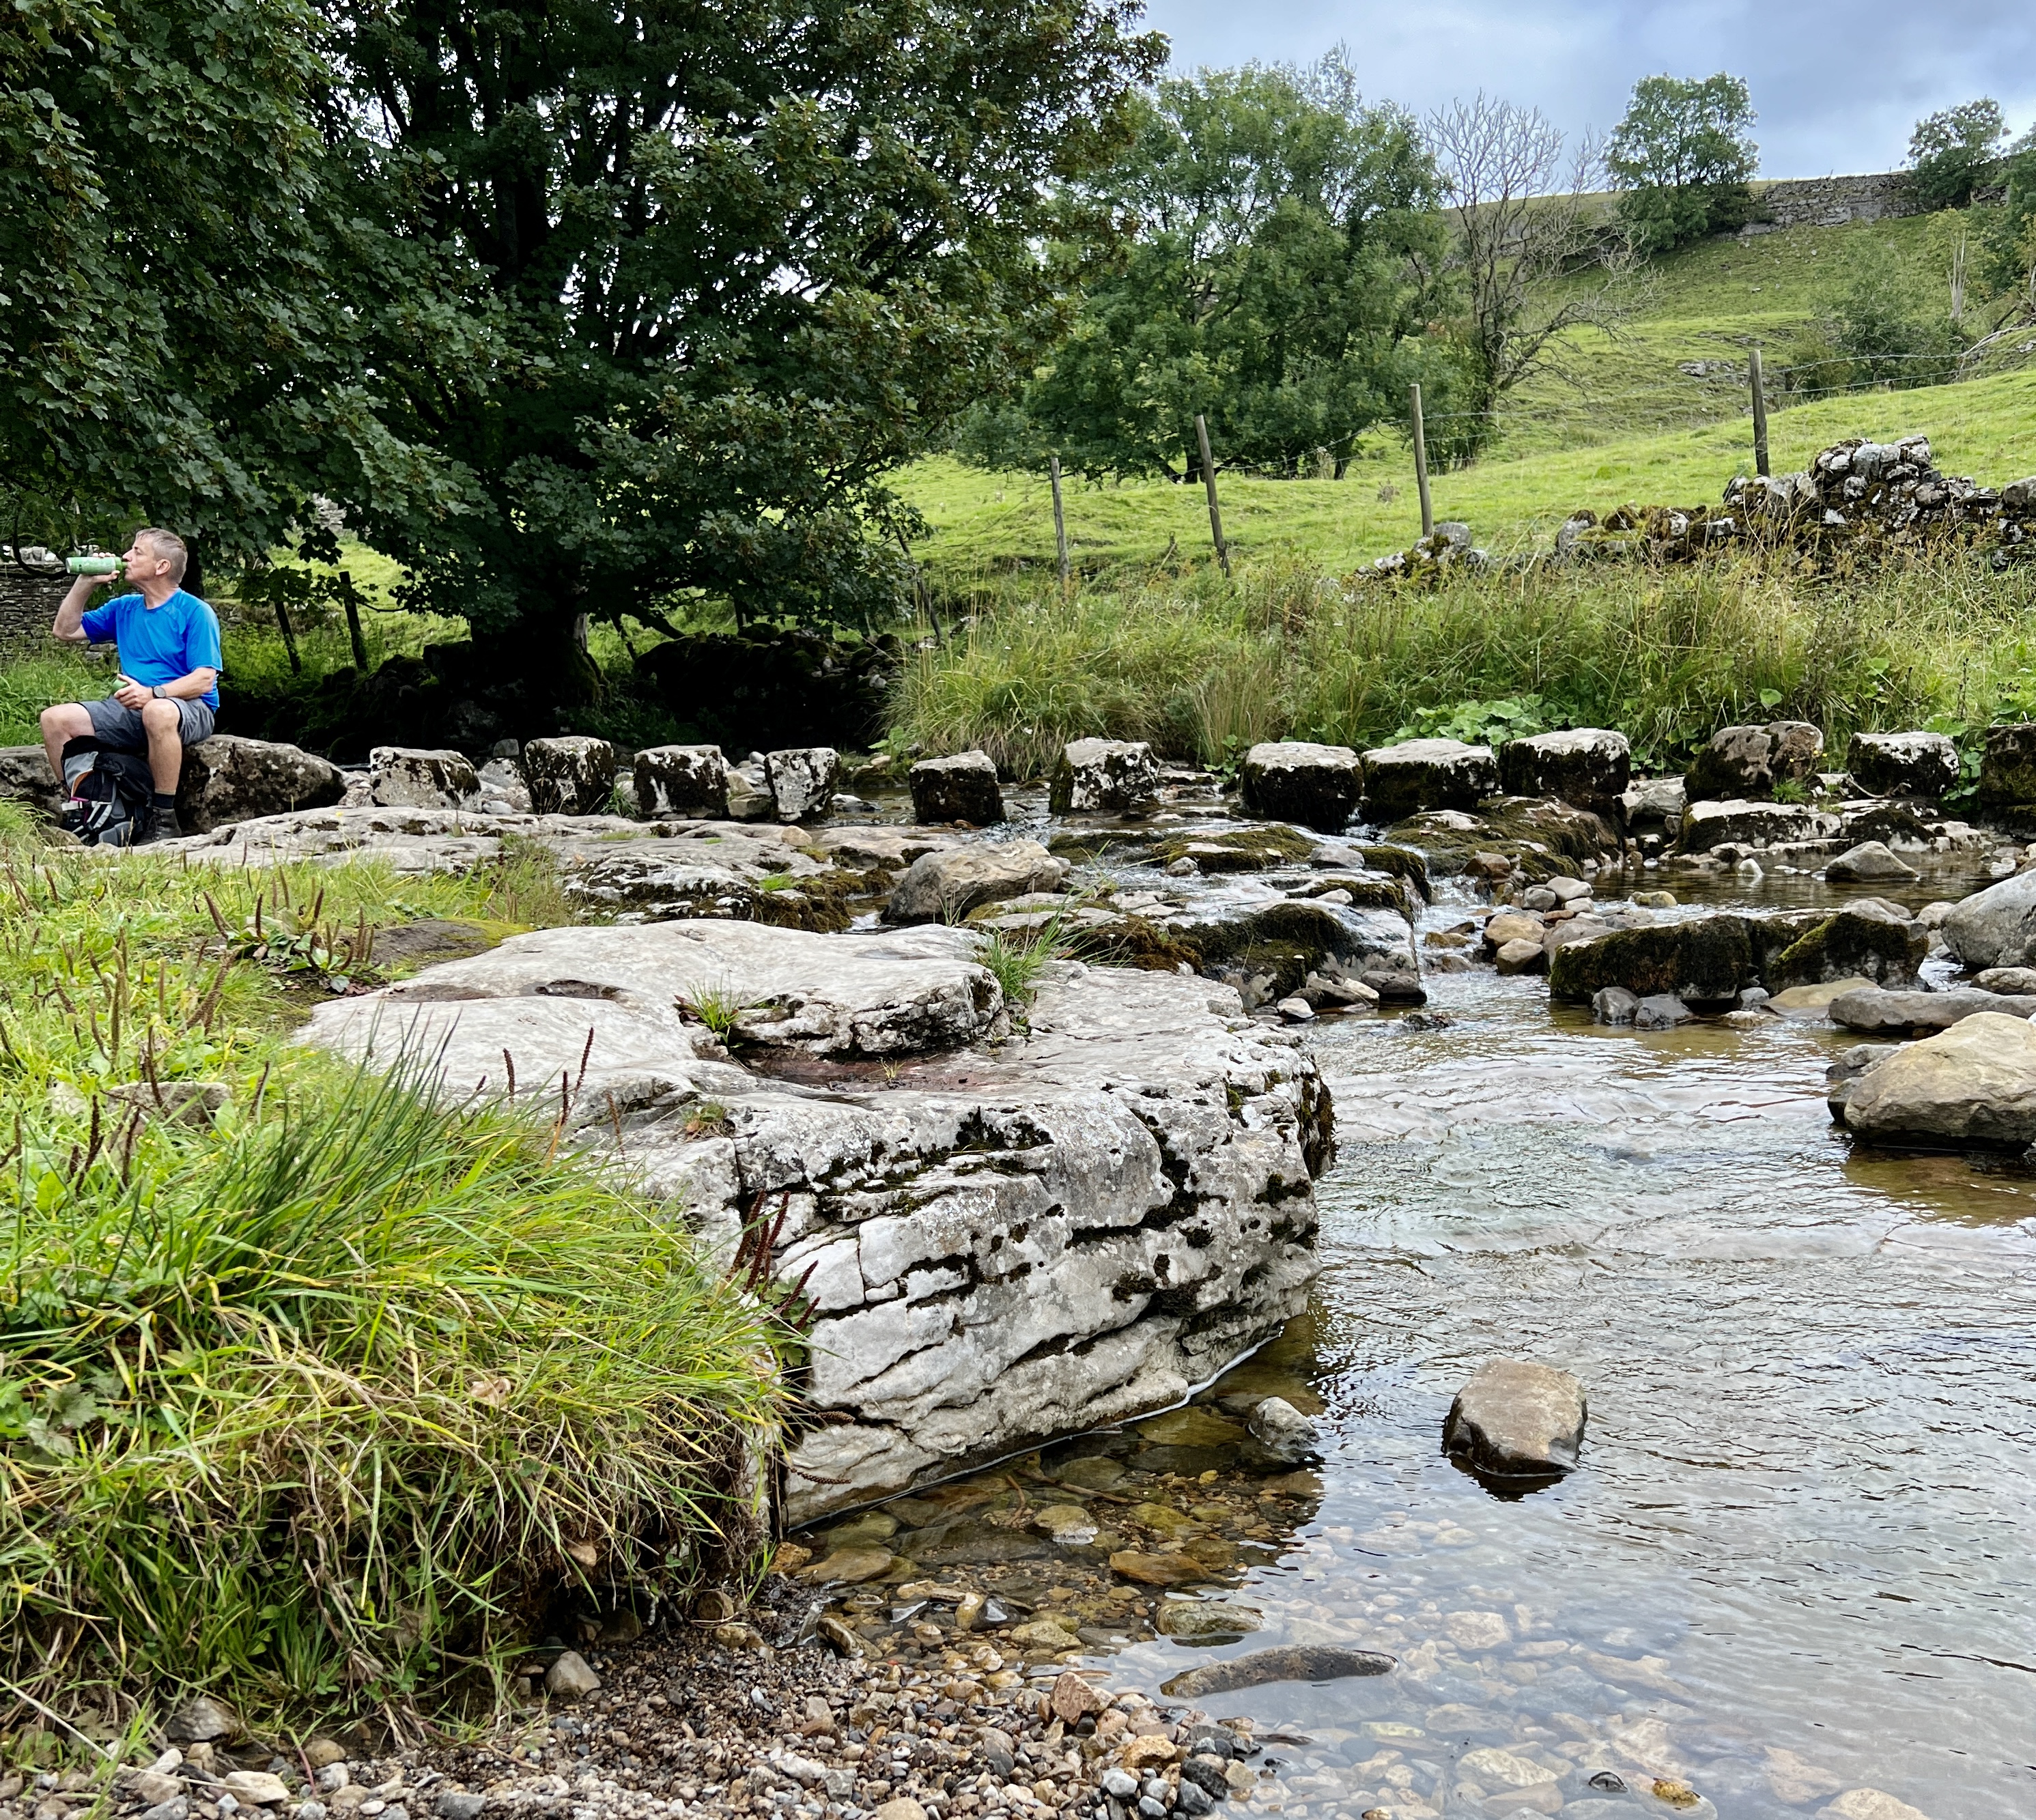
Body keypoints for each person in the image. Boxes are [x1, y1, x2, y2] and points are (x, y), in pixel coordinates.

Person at [41, 528, 222, 843]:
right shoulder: (125, 607)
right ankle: (78, 809)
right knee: (55, 720)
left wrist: (154, 693)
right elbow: (65, 631)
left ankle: (164, 819)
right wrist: (84, 583)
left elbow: (204, 679)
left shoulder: (195, 612)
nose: (125, 556)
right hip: (132, 707)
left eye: (137, 552)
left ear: (162, 567)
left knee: (158, 712)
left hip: (189, 707)